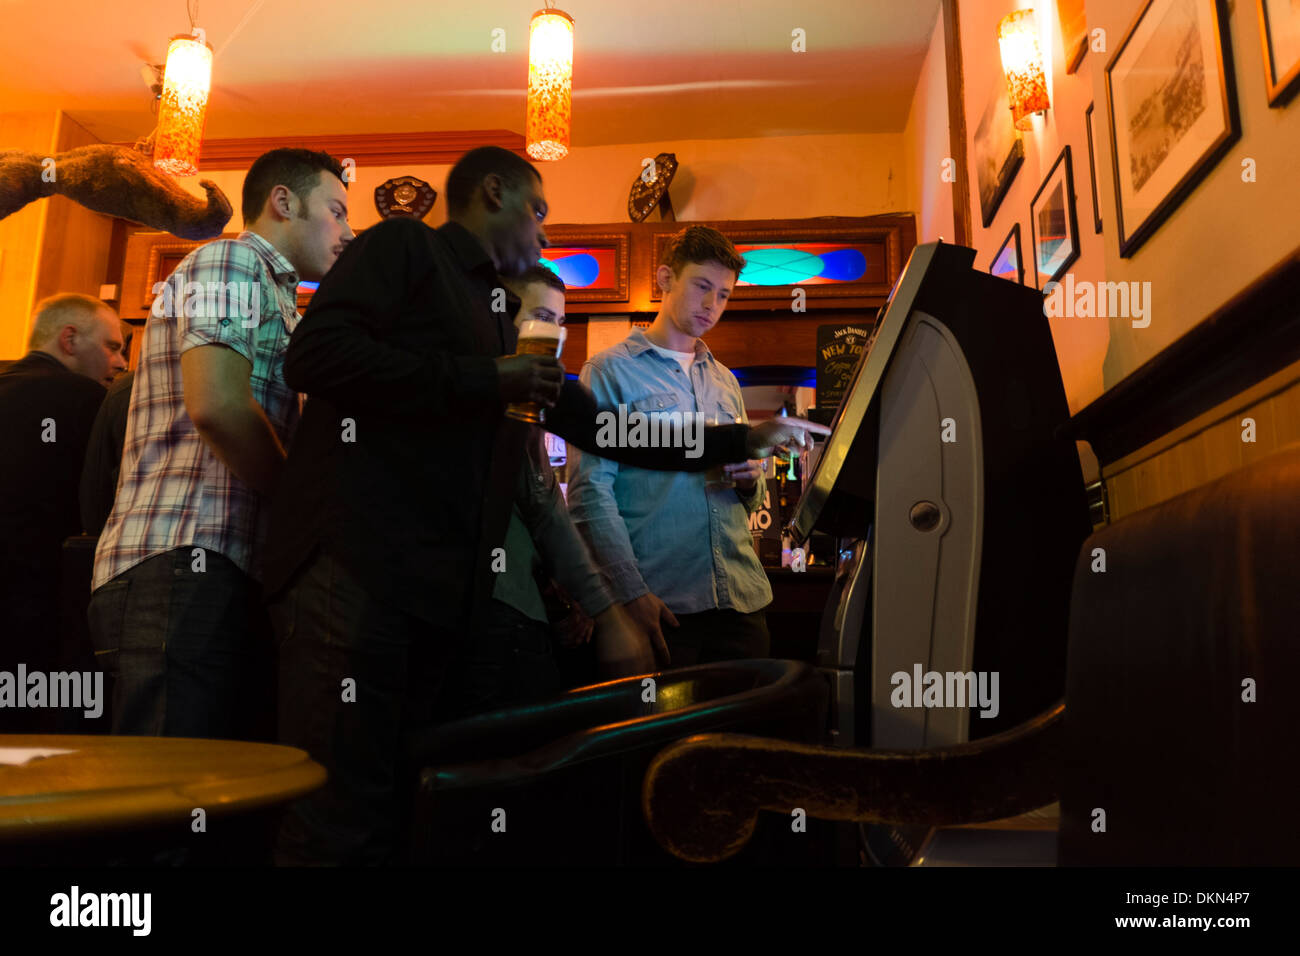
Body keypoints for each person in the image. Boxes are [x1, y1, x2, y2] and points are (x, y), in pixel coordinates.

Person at [265, 147, 814, 865]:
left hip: (435, 592)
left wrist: (746, 434)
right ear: (493, 191)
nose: (547, 234)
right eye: (540, 212)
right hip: (353, 567)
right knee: (338, 809)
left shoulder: (503, 317)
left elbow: (606, 430)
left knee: (407, 803)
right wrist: (484, 377)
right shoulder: (406, 246)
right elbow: (315, 356)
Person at [87, 148, 353, 741]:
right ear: (284, 201)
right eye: (337, 211)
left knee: (205, 801)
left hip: (210, 566)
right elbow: (218, 405)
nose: (347, 231)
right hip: (181, 558)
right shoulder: (232, 259)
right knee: (168, 801)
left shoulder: (281, 295)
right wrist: (301, 510)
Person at [567, 225, 774, 669]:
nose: (711, 305)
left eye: (723, 294)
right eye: (702, 286)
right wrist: (631, 592)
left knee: (746, 737)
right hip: (664, 606)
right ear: (664, 278)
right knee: (666, 738)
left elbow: (750, 499)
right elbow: (589, 494)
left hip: (743, 601)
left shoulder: (726, 380)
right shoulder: (609, 371)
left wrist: (749, 482)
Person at [0, 294, 125, 730]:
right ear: (69, 339)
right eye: (112, 346)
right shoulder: (87, 399)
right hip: (39, 609)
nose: (122, 362)